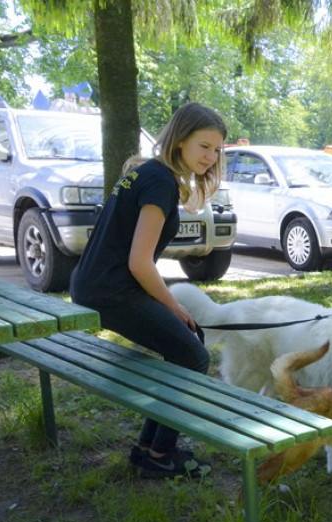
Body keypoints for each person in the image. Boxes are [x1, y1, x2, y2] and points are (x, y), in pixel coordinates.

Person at [70, 103, 226, 479]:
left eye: (217, 150)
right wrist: (172, 306)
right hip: (110, 290)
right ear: (180, 141)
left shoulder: (147, 172)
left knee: (184, 349)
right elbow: (140, 262)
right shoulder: (159, 181)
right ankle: (159, 454)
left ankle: (148, 449)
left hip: (95, 284)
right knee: (193, 355)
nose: (210, 157)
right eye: (204, 146)